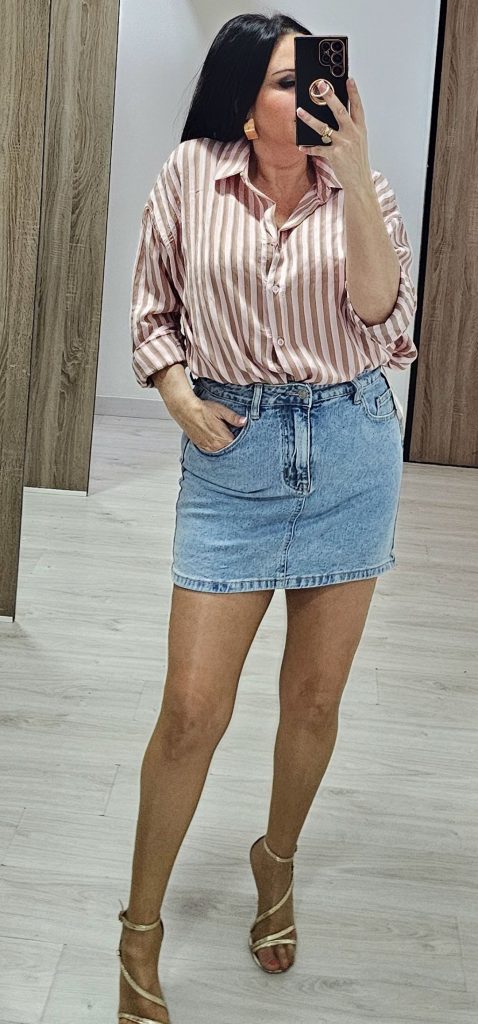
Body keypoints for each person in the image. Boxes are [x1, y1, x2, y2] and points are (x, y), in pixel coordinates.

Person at [117, 11, 418, 1023]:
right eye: (289, 83)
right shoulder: (189, 176)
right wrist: (174, 391)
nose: (312, 98)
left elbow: (379, 314)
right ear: (246, 100)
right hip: (231, 452)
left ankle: (275, 860)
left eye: (319, 81)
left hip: (350, 449)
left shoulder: (365, 189)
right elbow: (153, 306)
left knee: (314, 702)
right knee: (191, 711)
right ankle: (140, 926)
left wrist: (357, 170)